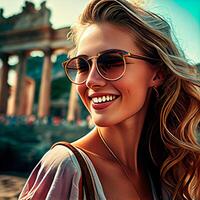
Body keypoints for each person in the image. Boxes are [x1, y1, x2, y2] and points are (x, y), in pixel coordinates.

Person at [19, 0, 200, 199]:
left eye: (112, 61)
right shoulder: (65, 168)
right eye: (82, 65)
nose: (91, 80)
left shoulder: (170, 172)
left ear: (157, 74)